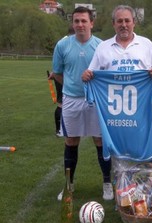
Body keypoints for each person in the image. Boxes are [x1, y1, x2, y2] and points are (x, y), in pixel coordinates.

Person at [82, 5, 152, 158]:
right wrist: (86, 76)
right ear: (113, 23)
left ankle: (149, 182)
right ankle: (121, 183)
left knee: (149, 160)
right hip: (115, 119)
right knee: (119, 162)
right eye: (119, 21)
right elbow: (91, 73)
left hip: (143, 115)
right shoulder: (103, 47)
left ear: (134, 22)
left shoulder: (146, 44)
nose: (123, 25)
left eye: (127, 20)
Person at [51, 6, 114, 201]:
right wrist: (73, 86)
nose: (80, 24)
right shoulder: (62, 46)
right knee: (71, 141)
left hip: (96, 101)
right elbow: (58, 73)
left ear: (91, 23)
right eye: (76, 21)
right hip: (71, 101)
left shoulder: (101, 46)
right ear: (72, 23)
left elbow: (107, 74)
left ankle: (107, 184)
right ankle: (69, 185)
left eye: (84, 21)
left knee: (100, 141)